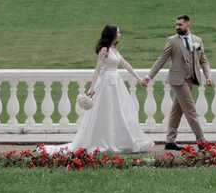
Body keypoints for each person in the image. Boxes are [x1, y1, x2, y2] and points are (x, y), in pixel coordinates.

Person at [42, 25, 154, 155]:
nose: (120, 35)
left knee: (119, 111)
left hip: (115, 82)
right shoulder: (104, 49)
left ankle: (118, 140)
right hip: (107, 83)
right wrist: (92, 87)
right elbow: (98, 69)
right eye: (118, 33)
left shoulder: (114, 48)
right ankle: (103, 140)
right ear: (112, 34)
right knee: (107, 111)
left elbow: (124, 64)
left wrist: (139, 78)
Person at [147, 14, 211, 150]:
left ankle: (170, 141)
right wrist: (149, 76)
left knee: (176, 112)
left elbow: (203, 60)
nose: (177, 27)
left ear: (188, 25)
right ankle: (201, 141)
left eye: (180, 25)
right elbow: (162, 59)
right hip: (178, 80)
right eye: (176, 25)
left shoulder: (197, 40)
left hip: (190, 79)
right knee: (191, 111)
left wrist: (208, 76)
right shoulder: (172, 41)